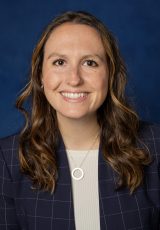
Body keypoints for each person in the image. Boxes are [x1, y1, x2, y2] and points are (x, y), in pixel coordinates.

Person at [0, 11, 159, 230]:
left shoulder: (155, 146)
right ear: (40, 76)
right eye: (59, 62)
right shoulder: (7, 159)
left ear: (110, 75)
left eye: (90, 63)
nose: (74, 79)